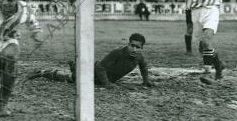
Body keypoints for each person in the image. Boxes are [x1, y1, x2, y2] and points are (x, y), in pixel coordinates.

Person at [26, 33, 154, 88]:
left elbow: (143, 66)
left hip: (104, 78)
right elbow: (100, 67)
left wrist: (146, 80)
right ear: (128, 44)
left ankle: (75, 67)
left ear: (142, 48)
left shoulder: (140, 57)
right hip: (93, 72)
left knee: (76, 78)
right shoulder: (118, 52)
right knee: (72, 79)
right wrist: (107, 84)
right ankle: (42, 72)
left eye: (138, 47)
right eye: (132, 45)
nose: (134, 49)